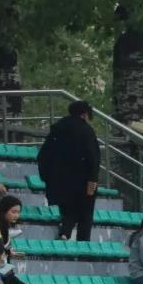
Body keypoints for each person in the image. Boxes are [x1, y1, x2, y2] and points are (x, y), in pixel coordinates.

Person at [37, 100, 100, 241]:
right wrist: (92, 183)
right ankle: (83, 243)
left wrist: (47, 177)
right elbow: (93, 159)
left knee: (67, 210)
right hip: (82, 181)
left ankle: (65, 232)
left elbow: (43, 155)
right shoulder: (86, 131)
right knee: (85, 214)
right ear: (85, 114)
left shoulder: (57, 129)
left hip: (59, 181)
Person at [0, 195, 34, 284]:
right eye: (13, 212)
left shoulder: (6, 227)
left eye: (18, 212)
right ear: (4, 211)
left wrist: (9, 252)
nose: (16, 215)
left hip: (4, 270)